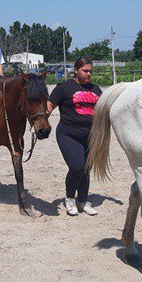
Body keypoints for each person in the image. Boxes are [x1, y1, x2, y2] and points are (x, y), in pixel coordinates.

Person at [47, 58, 102, 216]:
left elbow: (103, 111)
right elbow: (49, 107)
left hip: (91, 136)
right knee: (77, 167)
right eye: (85, 70)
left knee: (86, 170)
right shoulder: (64, 88)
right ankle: (70, 198)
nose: (89, 74)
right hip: (68, 133)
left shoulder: (96, 89)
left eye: (91, 71)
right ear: (76, 70)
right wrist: (39, 123)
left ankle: (83, 201)